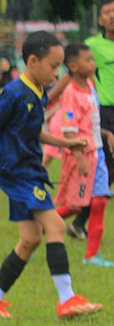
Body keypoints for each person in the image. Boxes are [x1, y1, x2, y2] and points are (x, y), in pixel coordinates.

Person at [0, 31, 102, 319]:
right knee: (57, 226)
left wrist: (67, 143)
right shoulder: (13, 92)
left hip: (29, 169)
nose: (56, 73)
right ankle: (67, 299)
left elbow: (31, 132)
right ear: (33, 61)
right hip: (15, 172)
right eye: (53, 66)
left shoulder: (37, 91)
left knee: (30, 239)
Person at [52, 43, 114, 266]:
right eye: (88, 60)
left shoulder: (90, 86)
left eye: (93, 59)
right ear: (73, 66)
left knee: (99, 201)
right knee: (77, 205)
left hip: (97, 154)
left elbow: (90, 122)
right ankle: (41, 225)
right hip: (82, 156)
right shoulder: (70, 93)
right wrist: (79, 157)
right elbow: (69, 129)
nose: (93, 64)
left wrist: (105, 134)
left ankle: (92, 256)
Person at [71, 0, 114, 238]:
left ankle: (77, 219)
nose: (112, 15)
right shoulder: (91, 46)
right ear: (100, 19)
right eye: (107, 12)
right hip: (106, 112)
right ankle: (76, 218)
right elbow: (74, 75)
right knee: (106, 170)